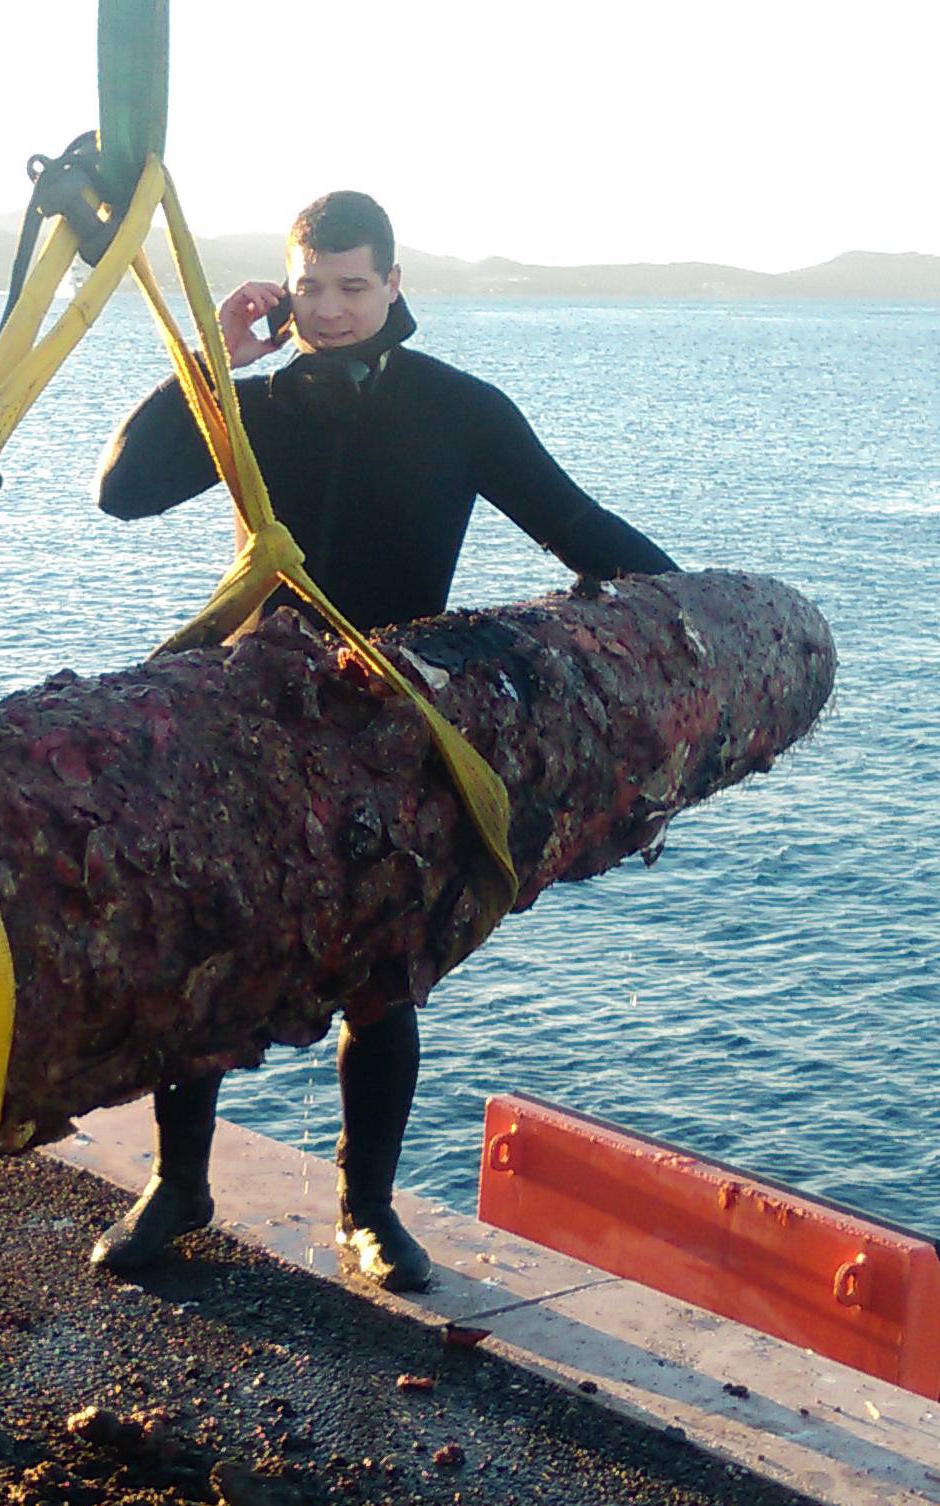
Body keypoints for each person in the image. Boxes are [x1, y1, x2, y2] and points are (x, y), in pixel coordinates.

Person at [90, 190, 676, 1287]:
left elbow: (575, 524)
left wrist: (694, 614)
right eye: (310, 286)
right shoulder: (254, 403)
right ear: (286, 285)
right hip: (252, 708)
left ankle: (368, 1213)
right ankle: (179, 1189)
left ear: (396, 283)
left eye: (353, 285)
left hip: (388, 718)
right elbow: (123, 491)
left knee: (383, 978)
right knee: (207, 960)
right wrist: (215, 354)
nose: (330, 307)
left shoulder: (460, 410)